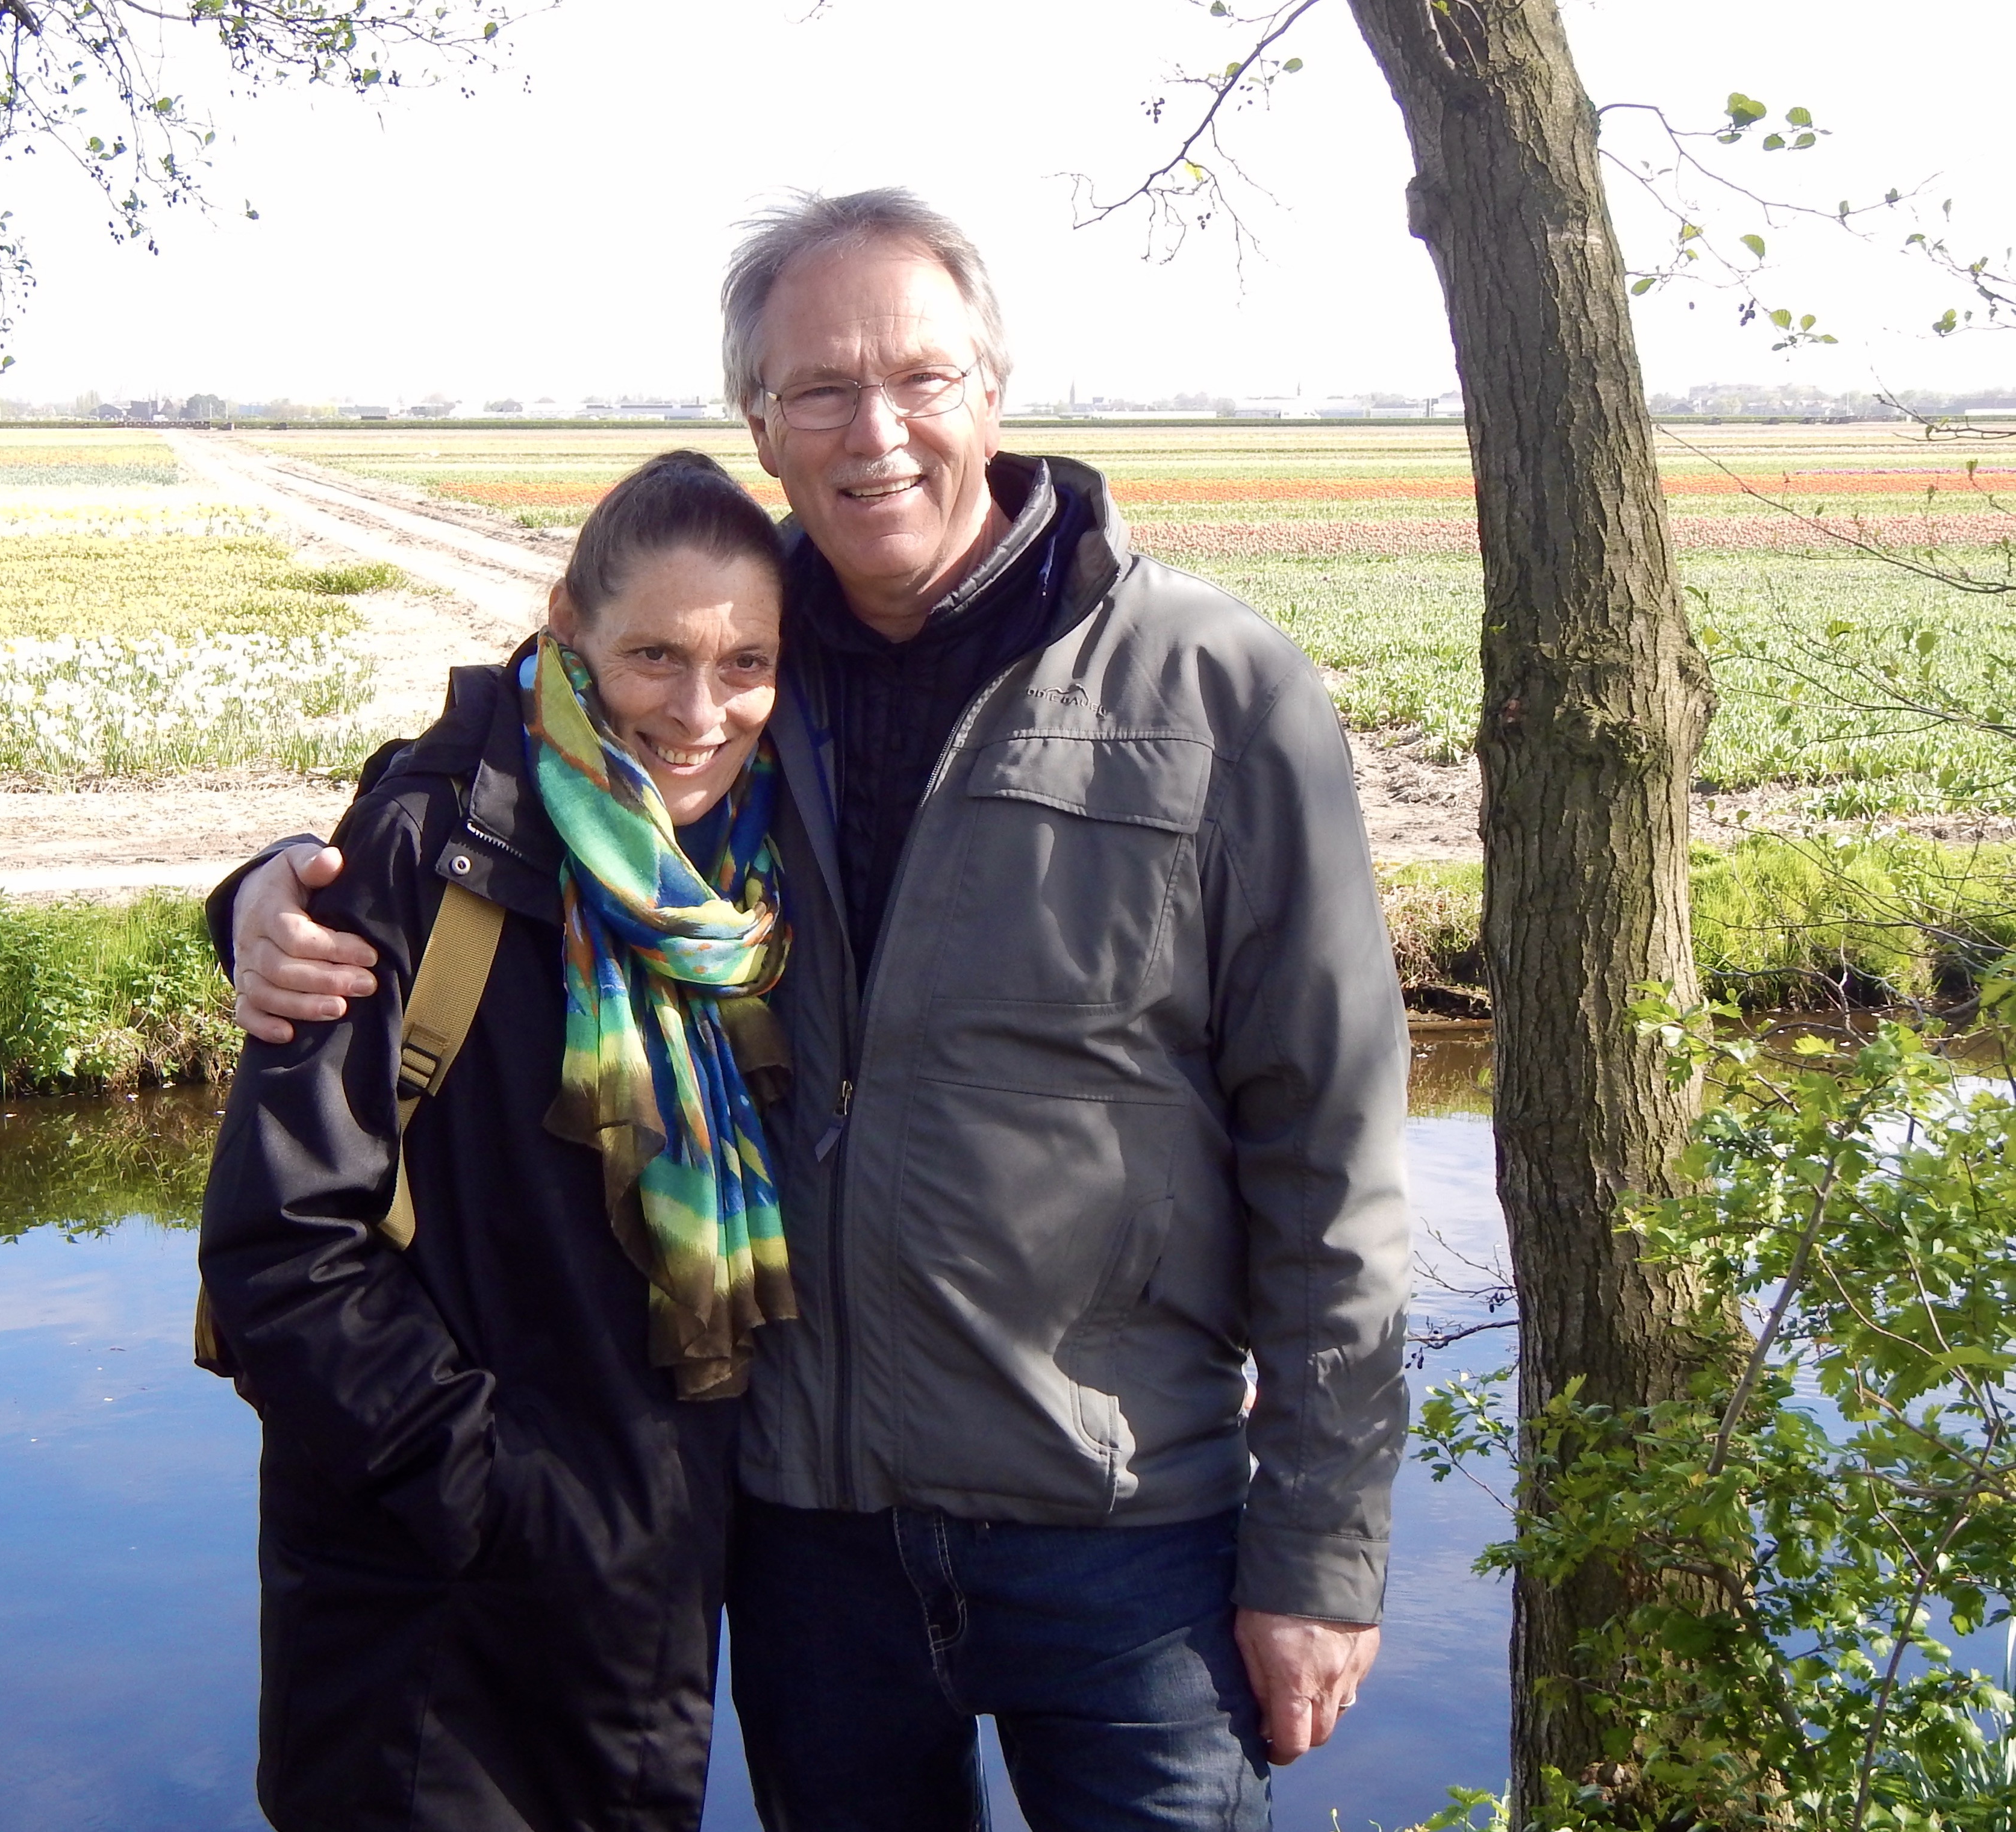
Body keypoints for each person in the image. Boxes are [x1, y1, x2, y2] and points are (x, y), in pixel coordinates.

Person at [218, 190, 1411, 1832]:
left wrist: (1321, 1548)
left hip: (1121, 1530)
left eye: (918, 377)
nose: (877, 431)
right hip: (804, 1537)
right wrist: (269, 891)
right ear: (760, 424)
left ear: (992, 387)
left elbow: (1327, 1143)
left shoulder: (1215, 691)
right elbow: (483, 778)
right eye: (821, 390)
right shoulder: (724, 643)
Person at [197, 449, 798, 1832]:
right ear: (566, 623)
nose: (699, 711)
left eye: (745, 663)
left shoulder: (751, 880)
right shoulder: (430, 848)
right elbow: (282, 1246)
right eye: (654, 655)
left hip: (645, 1597)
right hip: (437, 1629)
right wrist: (501, 1500)